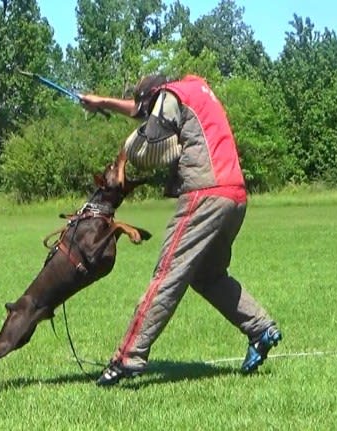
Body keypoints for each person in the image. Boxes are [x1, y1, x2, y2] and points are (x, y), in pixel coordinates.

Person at [79, 74, 282, 386]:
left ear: (153, 96)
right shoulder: (192, 91)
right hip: (235, 195)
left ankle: (127, 357)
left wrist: (127, 151)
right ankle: (260, 328)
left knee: (168, 275)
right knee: (207, 275)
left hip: (205, 194)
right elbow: (144, 108)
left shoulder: (168, 96)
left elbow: (146, 140)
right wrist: (102, 102)